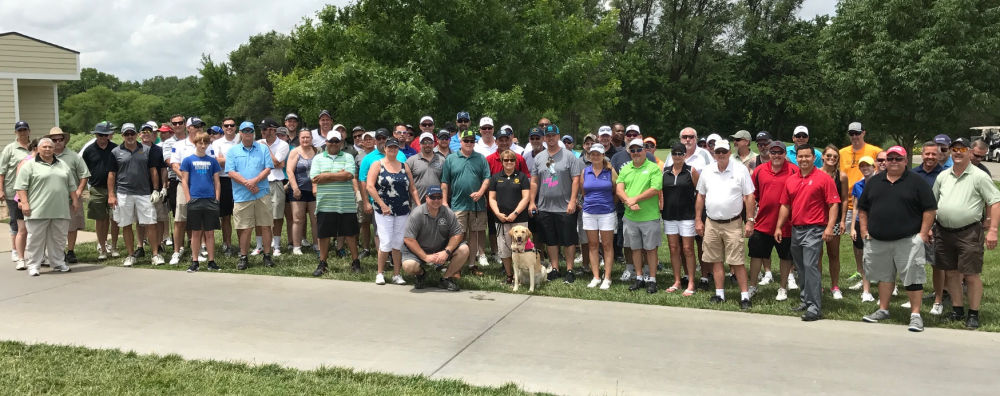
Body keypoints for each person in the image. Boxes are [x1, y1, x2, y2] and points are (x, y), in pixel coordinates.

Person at [857, 146, 936, 332]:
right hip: (878, 239)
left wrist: (923, 234)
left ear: (905, 160)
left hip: (907, 240)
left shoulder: (917, 182)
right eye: (890, 158)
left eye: (897, 159)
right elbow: (863, 208)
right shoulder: (874, 182)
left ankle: (915, 315)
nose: (893, 162)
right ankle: (883, 309)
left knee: (912, 277)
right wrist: (863, 230)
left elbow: (930, 209)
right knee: (884, 277)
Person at [933, 138, 1000, 329]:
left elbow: (995, 201)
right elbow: (932, 202)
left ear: (969, 152)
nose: (958, 152)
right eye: (954, 149)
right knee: (952, 273)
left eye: (962, 149)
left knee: (970, 275)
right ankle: (957, 310)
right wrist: (928, 228)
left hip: (969, 232)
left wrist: (993, 229)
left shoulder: (979, 176)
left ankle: (973, 313)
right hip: (944, 232)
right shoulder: (943, 176)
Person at [774, 144, 841, 321]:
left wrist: (829, 227)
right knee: (801, 267)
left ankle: (814, 307)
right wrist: (779, 226)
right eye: (800, 156)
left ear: (814, 158)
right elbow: (785, 205)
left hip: (815, 229)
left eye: (807, 156)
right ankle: (805, 299)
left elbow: (834, 204)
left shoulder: (824, 178)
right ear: (796, 157)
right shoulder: (792, 179)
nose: (803, 159)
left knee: (811, 267)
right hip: (796, 229)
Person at [695, 139, 756, 309]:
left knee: (737, 261)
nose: (721, 155)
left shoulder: (740, 169)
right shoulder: (707, 171)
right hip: (712, 223)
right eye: (718, 152)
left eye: (724, 152)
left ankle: (744, 296)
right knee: (715, 260)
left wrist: (750, 221)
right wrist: (698, 219)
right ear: (714, 153)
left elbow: (750, 196)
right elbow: (700, 196)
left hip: (733, 223)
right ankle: (719, 294)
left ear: (729, 152)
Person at [14, 137, 80, 276]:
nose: (48, 149)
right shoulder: (29, 165)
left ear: (54, 149)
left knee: (59, 238)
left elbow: (71, 185)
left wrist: (75, 200)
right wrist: (24, 203)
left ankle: (58, 263)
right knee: (35, 239)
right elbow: (21, 187)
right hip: (37, 210)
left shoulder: (62, 164)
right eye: (44, 147)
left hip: (60, 209)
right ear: (38, 149)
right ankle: (34, 265)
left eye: (50, 147)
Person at [530, 124, 584, 282]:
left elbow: (576, 179)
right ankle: (555, 268)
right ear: (544, 138)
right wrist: (532, 202)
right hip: (545, 206)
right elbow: (534, 181)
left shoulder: (568, 156)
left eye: (553, 135)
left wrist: (573, 201)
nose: (551, 138)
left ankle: (569, 269)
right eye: (548, 135)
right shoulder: (539, 157)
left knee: (568, 240)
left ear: (558, 136)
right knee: (551, 240)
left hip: (565, 205)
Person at [749, 140, 798, 301]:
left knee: (785, 257)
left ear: (785, 154)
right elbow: (752, 195)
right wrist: (750, 218)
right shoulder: (759, 171)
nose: (776, 155)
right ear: (769, 154)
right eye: (773, 152)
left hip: (786, 225)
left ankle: (783, 288)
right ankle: (753, 286)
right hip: (763, 222)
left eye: (780, 152)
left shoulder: (794, 171)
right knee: (756, 255)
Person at [366, 137, 419, 285]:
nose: (393, 150)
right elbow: (370, 186)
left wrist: (419, 205)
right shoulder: (378, 164)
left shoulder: (404, 166)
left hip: (402, 209)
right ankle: (380, 273)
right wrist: (382, 204)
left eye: (395, 147)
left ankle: (397, 274)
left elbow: (412, 188)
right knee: (386, 242)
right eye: (390, 147)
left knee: (398, 242)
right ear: (385, 149)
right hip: (384, 210)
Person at [311, 130, 363, 275]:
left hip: (345, 203)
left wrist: (326, 175)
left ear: (340, 143)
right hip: (325, 203)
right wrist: (339, 175)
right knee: (324, 235)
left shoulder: (348, 156)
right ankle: (322, 263)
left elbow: (349, 174)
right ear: (325, 142)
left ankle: (355, 261)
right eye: (331, 141)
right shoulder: (318, 158)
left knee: (350, 234)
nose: (333, 144)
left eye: (336, 141)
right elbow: (315, 178)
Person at [108, 123, 160, 267]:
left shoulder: (147, 150)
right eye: (126, 134)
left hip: (144, 192)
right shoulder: (115, 152)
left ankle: (155, 254)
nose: (130, 136)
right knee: (126, 224)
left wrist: (155, 189)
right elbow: (112, 174)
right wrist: (111, 194)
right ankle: (131, 255)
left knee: (151, 223)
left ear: (137, 134)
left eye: (132, 133)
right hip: (124, 193)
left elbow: (153, 171)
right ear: (122, 135)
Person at [226, 121, 276, 270]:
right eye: (245, 131)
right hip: (242, 195)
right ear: (240, 133)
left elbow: (268, 168)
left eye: (250, 131)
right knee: (245, 228)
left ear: (254, 133)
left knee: (266, 226)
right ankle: (243, 257)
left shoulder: (263, 149)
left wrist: (254, 181)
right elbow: (231, 171)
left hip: (262, 194)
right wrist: (248, 184)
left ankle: (267, 255)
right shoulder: (233, 151)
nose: (248, 134)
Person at [442, 128, 492, 274]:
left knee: (475, 234)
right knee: (458, 236)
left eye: (472, 141)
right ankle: (456, 266)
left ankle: (471, 265)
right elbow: (445, 183)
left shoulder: (481, 158)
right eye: (466, 141)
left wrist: (481, 192)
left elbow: (487, 178)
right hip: (458, 204)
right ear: (461, 142)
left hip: (477, 204)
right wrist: (445, 202)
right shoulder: (451, 159)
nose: (469, 143)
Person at [617, 139, 663, 293]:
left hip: (649, 217)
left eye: (639, 150)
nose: (635, 153)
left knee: (650, 249)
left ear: (645, 151)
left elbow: (655, 189)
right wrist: (629, 202)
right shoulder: (626, 168)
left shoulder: (653, 168)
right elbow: (619, 189)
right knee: (635, 249)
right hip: (631, 217)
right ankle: (639, 277)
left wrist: (634, 199)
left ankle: (652, 279)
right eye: (633, 150)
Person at [402, 186, 469, 291]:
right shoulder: (417, 213)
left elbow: (458, 234)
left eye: (439, 197)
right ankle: (421, 274)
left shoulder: (448, 212)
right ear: (427, 198)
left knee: (464, 249)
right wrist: (425, 257)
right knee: (409, 266)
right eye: (433, 197)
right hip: (420, 250)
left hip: (441, 249)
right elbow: (408, 239)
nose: (436, 200)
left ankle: (446, 278)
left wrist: (446, 251)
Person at [168, 117, 211, 264]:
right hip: (184, 186)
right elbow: (175, 165)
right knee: (180, 220)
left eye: (201, 126)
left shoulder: (206, 144)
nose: (199, 128)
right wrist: (187, 180)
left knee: (198, 221)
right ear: (188, 128)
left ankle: (197, 250)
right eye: (196, 126)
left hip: (202, 188)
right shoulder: (179, 145)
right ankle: (176, 251)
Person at [43, 128, 90, 265]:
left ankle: (70, 251)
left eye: (60, 139)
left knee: (72, 226)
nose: (57, 142)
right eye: (54, 140)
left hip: (71, 198)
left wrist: (79, 191)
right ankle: (58, 251)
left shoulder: (74, 156)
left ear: (64, 140)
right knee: (54, 227)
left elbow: (84, 174)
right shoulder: (45, 156)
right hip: (51, 199)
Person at [179, 132, 222, 272]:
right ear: (195, 143)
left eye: (205, 143)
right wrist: (188, 198)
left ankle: (211, 261)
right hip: (195, 199)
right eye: (200, 143)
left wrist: (217, 198)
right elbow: (184, 181)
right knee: (195, 233)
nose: (203, 145)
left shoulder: (212, 161)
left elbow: (217, 181)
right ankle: (195, 261)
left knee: (209, 233)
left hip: (210, 199)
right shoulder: (188, 160)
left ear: (208, 144)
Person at [660, 143, 699, 296]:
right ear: (671, 155)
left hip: (687, 216)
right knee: (673, 248)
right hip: (670, 216)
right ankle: (677, 281)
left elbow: (700, 193)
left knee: (688, 249)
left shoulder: (691, 171)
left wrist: (698, 216)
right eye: (675, 154)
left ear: (685, 155)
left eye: (680, 154)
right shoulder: (665, 172)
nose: (677, 157)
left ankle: (691, 282)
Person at [912, 141, 946, 314]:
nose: (930, 157)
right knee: (914, 264)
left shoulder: (945, 174)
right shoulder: (912, 174)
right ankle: (913, 299)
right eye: (927, 154)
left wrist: (930, 225)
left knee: (936, 264)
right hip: (914, 225)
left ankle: (938, 300)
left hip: (937, 226)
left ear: (939, 155)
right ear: (922, 154)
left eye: (934, 154)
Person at [488, 150, 531, 284]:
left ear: (516, 162)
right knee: (504, 249)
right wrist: (497, 213)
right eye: (506, 160)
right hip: (501, 219)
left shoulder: (522, 177)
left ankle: (523, 277)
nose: (509, 163)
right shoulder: (495, 178)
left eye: (512, 160)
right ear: (502, 162)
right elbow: (492, 198)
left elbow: (526, 197)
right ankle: (509, 276)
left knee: (522, 248)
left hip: (519, 219)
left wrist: (515, 213)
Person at [579, 143, 618, 289]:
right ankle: (596, 276)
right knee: (593, 245)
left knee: (607, 245)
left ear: (603, 155)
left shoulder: (610, 171)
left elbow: (616, 191)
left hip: (607, 212)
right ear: (589, 156)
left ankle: (607, 277)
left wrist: (610, 204)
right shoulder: (585, 171)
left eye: (598, 154)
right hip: (589, 212)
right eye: (592, 154)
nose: (595, 156)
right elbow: (584, 191)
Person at [818, 145, 849, 300]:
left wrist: (843, 220)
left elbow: (844, 200)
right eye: (828, 156)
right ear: (823, 157)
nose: (831, 159)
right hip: (817, 220)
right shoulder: (816, 173)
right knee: (817, 254)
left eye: (834, 157)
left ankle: (835, 286)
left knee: (833, 253)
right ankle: (817, 285)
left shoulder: (841, 176)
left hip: (835, 220)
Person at [1, 121, 32, 267]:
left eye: (24, 130)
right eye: (19, 130)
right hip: (12, 191)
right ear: (16, 133)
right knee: (15, 220)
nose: (22, 132)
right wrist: (0, 189)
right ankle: (15, 249)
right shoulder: (10, 149)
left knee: (29, 222)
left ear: (28, 131)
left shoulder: (34, 147)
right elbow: (2, 171)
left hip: (30, 191)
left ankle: (28, 249)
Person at [286, 129, 320, 255]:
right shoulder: (295, 152)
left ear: (311, 138)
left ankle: (317, 244)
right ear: (299, 139)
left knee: (315, 219)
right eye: (303, 138)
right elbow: (289, 170)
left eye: (308, 137)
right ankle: (296, 246)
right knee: (298, 219)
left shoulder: (317, 152)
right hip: (298, 190)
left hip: (314, 190)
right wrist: (295, 188)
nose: (305, 140)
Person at [848, 156, 877, 302]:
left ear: (874, 167)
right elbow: (855, 208)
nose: (865, 168)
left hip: (877, 224)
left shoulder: (881, 183)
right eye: (862, 166)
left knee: (877, 257)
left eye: (868, 165)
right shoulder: (858, 185)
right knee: (863, 255)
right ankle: (866, 288)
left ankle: (890, 285)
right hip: (861, 222)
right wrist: (852, 227)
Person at [212, 118, 241, 255]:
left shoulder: (241, 140)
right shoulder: (216, 143)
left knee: (241, 214)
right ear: (222, 127)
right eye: (226, 125)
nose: (229, 127)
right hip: (224, 180)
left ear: (236, 127)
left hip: (240, 181)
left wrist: (225, 159)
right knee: (226, 216)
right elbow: (217, 162)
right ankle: (227, 244)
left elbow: (225, 161)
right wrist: (236, 158)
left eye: (232, 125)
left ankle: (243, 245)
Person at [406, 132, 445, 201]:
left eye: (430, 142)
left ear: (434, 144)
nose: (427, 145)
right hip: (417, 204)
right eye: (424, 142)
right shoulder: (411, 161)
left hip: (436, 203)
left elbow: (445, 184)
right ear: (420, 144)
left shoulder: (442, 160)